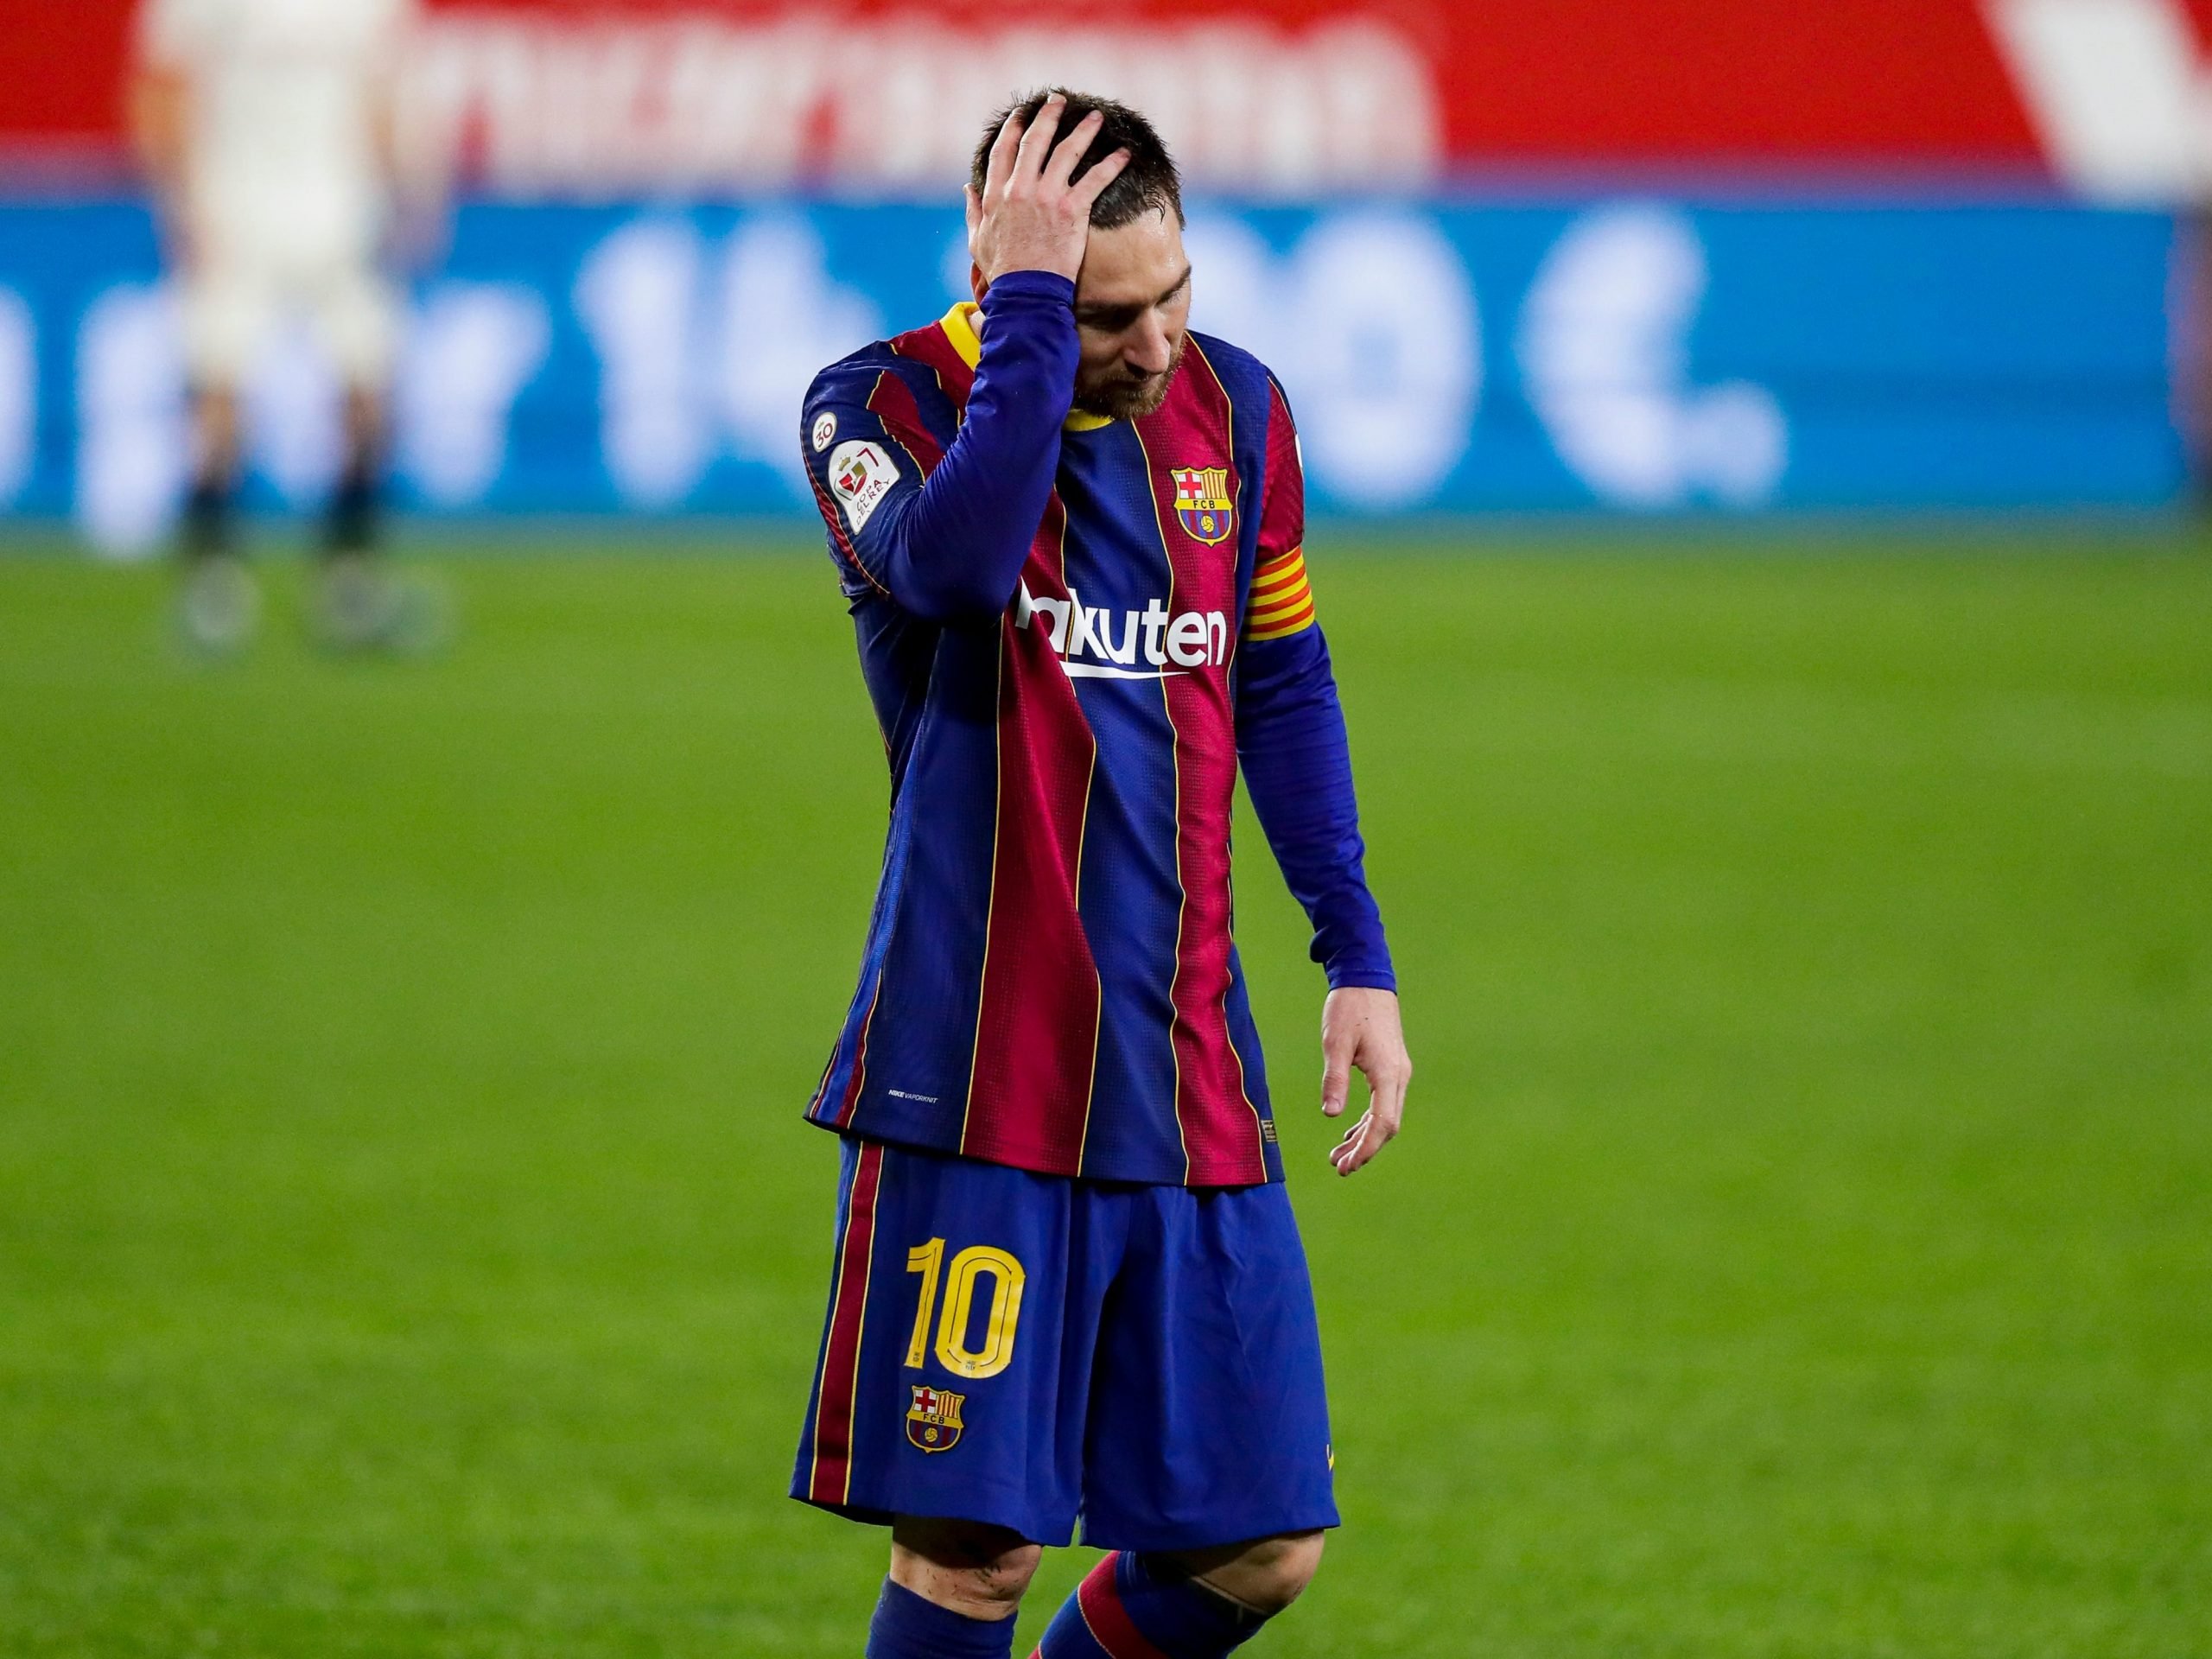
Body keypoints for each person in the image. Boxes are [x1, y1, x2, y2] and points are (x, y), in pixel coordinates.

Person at [792, 90, 1414, 1659]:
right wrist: (1024, 325)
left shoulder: (1242, 413)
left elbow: (1280, 681)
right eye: (1106, 317)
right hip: (984, 1080)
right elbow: (957, 570)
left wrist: (1356, 951)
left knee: (1263, 1546)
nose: (1153, 346)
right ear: (1008, 289)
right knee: (972, 1559)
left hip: (1193, 1071)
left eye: (1174, 296)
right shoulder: (877, 408)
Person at [130, 0, 429, 652]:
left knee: (368, 385)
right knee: (219, 387)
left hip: (341, 208)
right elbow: (162, 89)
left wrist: (404, 192)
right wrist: (178, 202)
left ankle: (350, 580)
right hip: (233, 204)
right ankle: (213, 582)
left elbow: (380, 95)